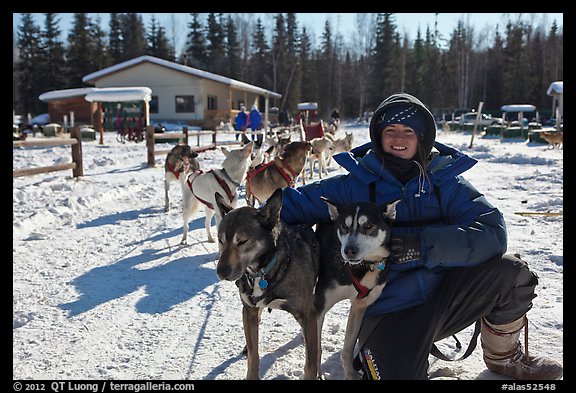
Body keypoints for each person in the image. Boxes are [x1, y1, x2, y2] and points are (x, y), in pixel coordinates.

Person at [280, 92, 563, 380]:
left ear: (423, 137)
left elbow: (492, 231)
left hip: (444, 299)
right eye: (389, 130)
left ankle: (503, 356)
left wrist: (423, 244)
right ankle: (380, 352)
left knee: (511, 272)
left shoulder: (444, 183)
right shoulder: (355, 185)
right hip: (385, 311)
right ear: (378, 137)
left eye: (408, 131)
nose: (398, 137)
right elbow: (287, 208)